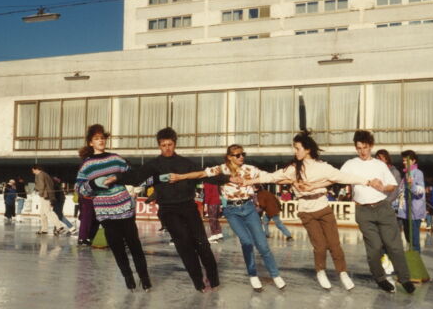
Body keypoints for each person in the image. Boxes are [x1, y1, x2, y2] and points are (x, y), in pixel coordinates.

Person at [243, 131, 377, 291]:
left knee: (335, 244)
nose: (295, 151)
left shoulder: (323, 167)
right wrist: (249, 181)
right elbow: (272, 177)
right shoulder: (293, 169)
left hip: (324, 209)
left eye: (297, 148)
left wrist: (367, 181)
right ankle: (320, 271)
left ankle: (342, 273)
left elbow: (343, 177)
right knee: (320, 246)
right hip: (306, 212)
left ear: (307, 150)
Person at [106, 127, 220, 293]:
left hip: (188, 207)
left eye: (170, 144)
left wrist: (230, 178)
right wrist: (117, 177)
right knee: (184, 245)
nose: (167, 148)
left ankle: (214, 280)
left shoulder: (185, 163)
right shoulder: (154, 165)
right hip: (169, 210)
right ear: (159, 146)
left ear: (175, 144)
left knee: (202, 244)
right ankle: (199, 283)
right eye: (163, 145)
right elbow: (137, 177)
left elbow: (204, 175)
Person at [169, 143, 286, 292]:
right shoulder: (221, 169)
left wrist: (290, 178)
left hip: (249, 208)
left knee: (263, 245)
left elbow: (270, 177)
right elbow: (200, 174)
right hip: (232, 211)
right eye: (237, 155)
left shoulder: (250, 169)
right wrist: (180, 176)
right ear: (230, 157)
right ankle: (253, 275)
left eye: (243, 154)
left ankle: (275, 275)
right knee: (246, 242)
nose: (241, 157)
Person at [76, 124, 151, 291]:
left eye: (102, 138)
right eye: (96, 138)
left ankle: (144, 278)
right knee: (117, 247)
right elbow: (79, 188)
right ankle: (128, 278)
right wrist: (94, 183)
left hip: (125, 207)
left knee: (134, 244)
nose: (101, 141)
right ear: (90, 143)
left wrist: (120, 178)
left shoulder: (116, 158)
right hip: (105, 212)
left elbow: (134, 176)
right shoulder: (86, 166)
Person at [340, 130, 415, 294]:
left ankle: (405, 278)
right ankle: (380, 278)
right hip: (363, 211)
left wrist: (382, 187)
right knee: (374, 248)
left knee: (394, 246)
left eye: (365, 147)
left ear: (371, 146)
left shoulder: (379, 165)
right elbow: (338, 178)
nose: (362, 151)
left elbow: (392, 185)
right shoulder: (350, 164)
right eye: (359, 148)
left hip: (383, 208)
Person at [397, 150, 425, 252]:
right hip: (404, 212)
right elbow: (401, 192)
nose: (404, 162)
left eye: (406, 161)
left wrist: (412, 185)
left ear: (413, 161)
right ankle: (411, 254)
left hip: (413, 212)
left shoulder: (418, 173)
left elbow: (420, 191)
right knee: (408, 237)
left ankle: (416, 257)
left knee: (414, 239)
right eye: (403, 160)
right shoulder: (405, 175)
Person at [32, 165, 66, 235]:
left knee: (48, 212)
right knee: (42, 213)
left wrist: (40, 193)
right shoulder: (45, 174)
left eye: (33, 170)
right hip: (47, 194)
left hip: (45, 195)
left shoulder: (40, 175)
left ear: (36, 169)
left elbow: (41, 185)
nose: (33, 172)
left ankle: (60, 227)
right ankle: (44, 229)